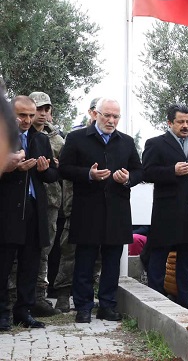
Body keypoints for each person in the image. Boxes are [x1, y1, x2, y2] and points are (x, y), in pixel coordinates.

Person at [58, 98, 143, 323]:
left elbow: (139, 170)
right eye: (107, 115)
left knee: (112, 261)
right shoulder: (76, 138)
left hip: (117, 210)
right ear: (96, 114)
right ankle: (84, 307)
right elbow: (64, 168)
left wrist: (127, 179)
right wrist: (88, 174)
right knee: (85, 260)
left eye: (116, 117)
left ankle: (107, 306)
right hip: (87, 209)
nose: (111, 121)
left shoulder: (126, 141)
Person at [142, 104, 188, 313]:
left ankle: (185, 298)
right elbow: (146, 173)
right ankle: (155, 299)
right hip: (166, 211)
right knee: (159, 255)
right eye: (180, 122)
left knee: (185, 257)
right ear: (170, 122)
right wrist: (171, 171)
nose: (185, 126)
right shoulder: (155, 144)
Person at [0, 96, 59, 330]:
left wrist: (45, 170)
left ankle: (24, 311)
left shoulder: (40, 138)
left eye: (30, 115)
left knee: (30, 264)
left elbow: (53, 176)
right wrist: (12, 168)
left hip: (35, 209)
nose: (27, 120)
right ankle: (2, 313)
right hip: (7, 211)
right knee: (4, 265)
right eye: (22, 115)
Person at [53, 96, 101, 313]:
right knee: (69, 250)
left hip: (100, 208)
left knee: (96, 254)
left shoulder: (111, 139)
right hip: (74, 204)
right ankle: (63, 293)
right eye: (101, 112)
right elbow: (65, 168)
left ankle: (87, 294)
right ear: (92, 112)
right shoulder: (76, 136)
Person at [27, 91, 65, 317]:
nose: (42, 114)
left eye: (46, 109)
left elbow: (63, 172)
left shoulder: (57, 139)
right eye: (38, 109)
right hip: (25, 201)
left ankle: (39, 297)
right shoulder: (19, 135)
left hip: (51, 201)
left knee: (45, 249)